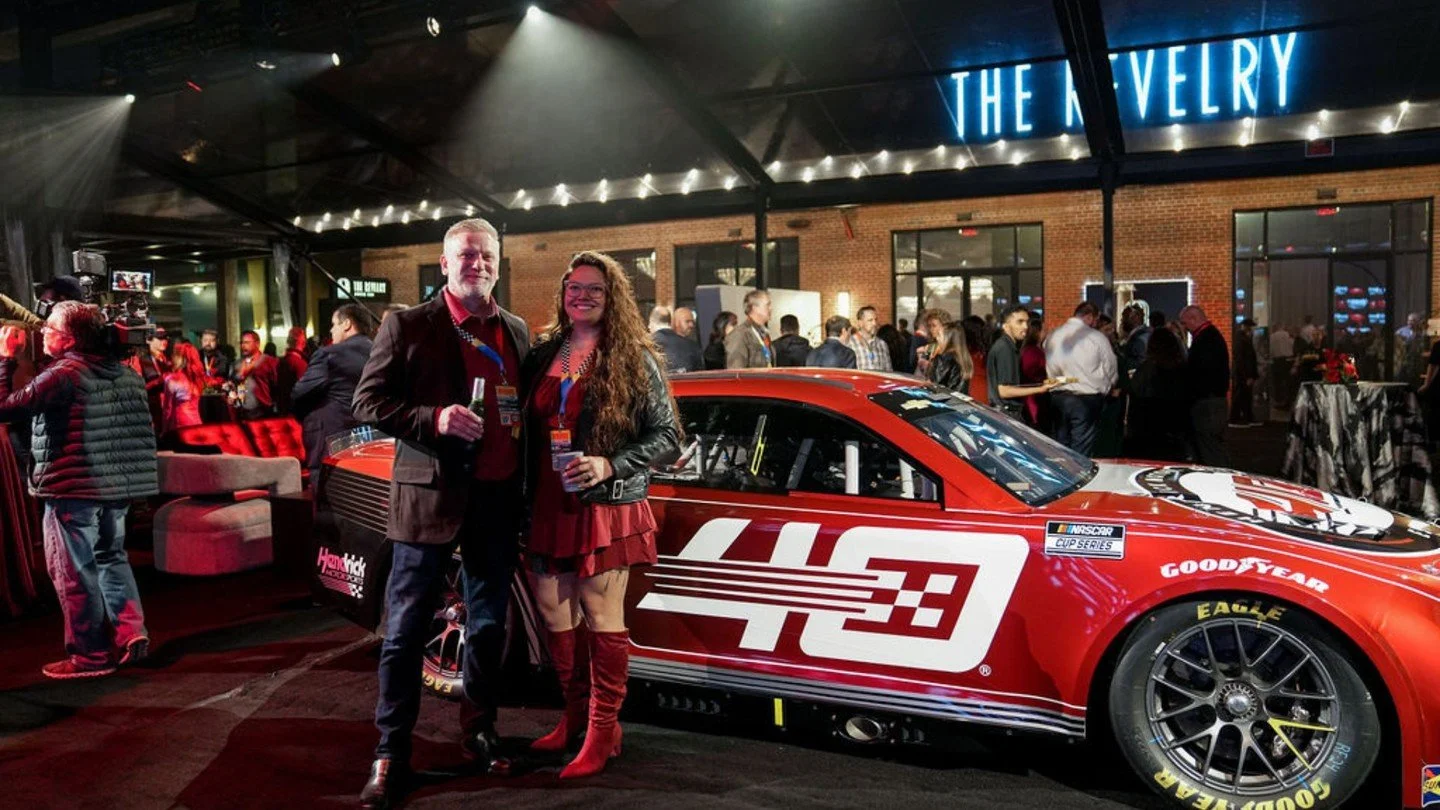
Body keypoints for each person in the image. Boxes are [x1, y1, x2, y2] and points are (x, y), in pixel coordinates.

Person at [352, 218, 530, 807]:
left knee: (487, 628)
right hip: (428, 500)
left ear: (498, 264)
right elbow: (368, 401)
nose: (475, 263)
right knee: (403, 634)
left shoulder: (517, 331)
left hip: (497, 498)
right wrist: (436, 419)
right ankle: (390, 753)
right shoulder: (406, 324)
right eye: (465, 256)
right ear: (444, 263)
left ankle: (478, 730)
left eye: (485, 255)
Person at [520, 251, 679, 779]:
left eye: (595, 289)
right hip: (547, 501)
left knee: (603, 621)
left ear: (613, 297)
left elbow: (668, 436)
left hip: (606, 505)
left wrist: (611, 462)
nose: (582, 296)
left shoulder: (635, 357)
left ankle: (600, 731)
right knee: (554, 616)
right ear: (562, 294)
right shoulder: (546, 351)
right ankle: (573, 721)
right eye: (574, 288)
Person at [0, 302, 157, 678]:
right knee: (111, 558)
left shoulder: (65, 374)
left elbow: (5, 408)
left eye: (50, 328)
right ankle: (131, 633)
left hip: (73, 489)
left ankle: (89, 657)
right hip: (117, 488)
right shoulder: (126, 373)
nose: (42, 333)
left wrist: (6, 360)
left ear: (69, 339)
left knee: (73, 572)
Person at [292, 303, 375, 479]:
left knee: (327, 493)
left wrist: (304, 416)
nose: (331, 330)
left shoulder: (330, 354)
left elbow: (299, 393)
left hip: (330, 436)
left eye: (334, 324)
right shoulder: (379, 353)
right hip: (370, 435)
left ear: (347, 324)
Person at [1044, 302, 1118, 456]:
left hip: (1058, 396)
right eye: (1096, 320)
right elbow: (1110, 368)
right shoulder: (1096, 338)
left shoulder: (1052, 335)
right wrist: (1107, 387)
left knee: (1060, 445)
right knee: (1082, 448)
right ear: (1090, 317)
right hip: (1086, 398)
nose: (1096, 324)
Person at [1124, 325, 1192, 461]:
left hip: (1147, 432)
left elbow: (1135, 393)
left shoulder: (1146, 369)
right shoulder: (1182, 369)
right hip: (1174, 430)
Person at [1179, 305, 1231, 467]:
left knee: (1210, 449)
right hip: (1212, 401)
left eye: (1185, 323)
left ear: (1194, 319)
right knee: (1210, 446)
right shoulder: (1210, 337)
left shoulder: (1206, 339)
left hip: (1207, 403)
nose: (1184, 328)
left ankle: (1221, 481)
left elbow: (1199, 373)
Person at [989, 306, 1060, 419]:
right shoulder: (1005, 348)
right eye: (1019, 322)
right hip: (1007, 413)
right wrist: (1040, 388)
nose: (1025, 326)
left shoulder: (1009, 346)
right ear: (1006, 325)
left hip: (1008, 412)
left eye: (1027, 322)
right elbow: (1004, 391)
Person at [231, 330, 278, 419]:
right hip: (243, 412)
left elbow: (277, 385)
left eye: (247, 342)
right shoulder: (238, 364)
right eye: (241, 343)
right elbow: (239, 385)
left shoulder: (269, 362)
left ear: (257, 344)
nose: (243, 346)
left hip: (263, 411)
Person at [161, 341, 205, 436]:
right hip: (196, 422)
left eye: (174, 355)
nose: (172, 358)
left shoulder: (172, 379)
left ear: (180, 358)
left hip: (180, 423)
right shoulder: (196, 380)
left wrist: (164, 430)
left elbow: (167, 409)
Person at [648, 305, 704, 374]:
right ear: (674, 323)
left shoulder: (647, 344)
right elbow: (701, 374)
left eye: (692, 322)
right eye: (687, 321)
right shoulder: (692, 346)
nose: (692, 325)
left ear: (651, 322)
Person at [724, 289, 773, 369]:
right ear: (754, 308)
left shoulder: (763, 333)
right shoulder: (739, 335)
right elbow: (736, 371)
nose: (771, 309)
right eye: (767, 305)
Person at [925, 324, 973, 394]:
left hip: (943, 401)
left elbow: (935, 384)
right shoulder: (962, 358)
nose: (937, 338)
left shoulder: (943, 358)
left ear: (948, 339)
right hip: (959, 401)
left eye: (939, 335)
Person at [1019, 317, 1048, 428]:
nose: (1046, 333)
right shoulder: (1032, 352)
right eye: (1044, 330)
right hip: (1034, 398)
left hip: (1035, 395)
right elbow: (1029, 373)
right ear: (1037, 332)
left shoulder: (1031, 350)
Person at [1230, 318, 1260, 427]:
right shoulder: (1241, 339)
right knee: (1240, 396)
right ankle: (1235, 419)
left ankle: (1248, 418)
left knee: (1246, 396)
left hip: (1242, 373)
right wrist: (1248, 375)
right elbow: (1241, 359)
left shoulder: (1243, 338)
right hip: (1241, 374)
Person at [275, 327, 309, 414]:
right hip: (296, 409)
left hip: (283, 407)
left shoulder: (281, 361)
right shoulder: (299, 363)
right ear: (302, 342)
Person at [847, 306, 892, 372]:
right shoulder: (850, 343)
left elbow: (889, 371)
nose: (874, 323)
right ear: (860, 323)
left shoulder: (882, 344)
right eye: (870, 320)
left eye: (876, 319)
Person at [913, 308, 951, 377]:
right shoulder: (930, 347)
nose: (931, 329)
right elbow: (920, 374)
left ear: (945, 327)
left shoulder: (952, 347)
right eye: (929, 326)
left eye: (934, 325)